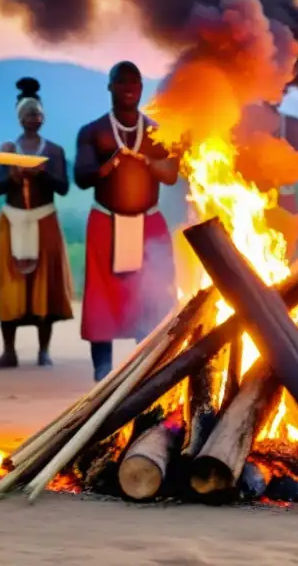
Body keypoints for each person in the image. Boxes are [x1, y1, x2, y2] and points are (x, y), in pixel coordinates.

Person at [74, 61, 179, 382]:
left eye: (135, 82)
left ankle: (144, 374)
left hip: (149, 227)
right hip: (107, 224)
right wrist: (111, 163)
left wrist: (145, 161)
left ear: (141, 88)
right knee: (101, 301)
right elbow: (81, 177)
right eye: (121, 83)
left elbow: (172, 174)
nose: (129, 88)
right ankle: (102, 377)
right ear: (110, 87)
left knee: (152, 298)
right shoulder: (93, 131)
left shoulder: (158, 132)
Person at [0, 77, 75, 368]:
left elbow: (63, 187)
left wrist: (42, 173)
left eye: (36, 114)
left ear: (43, 117)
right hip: (12, 221)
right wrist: (12, 174)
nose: (32, 119)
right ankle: (9, 350)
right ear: (20, 118)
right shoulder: (7, 149)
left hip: (44, 220)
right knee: (9, 285)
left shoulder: (53, 151)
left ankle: (43, 351)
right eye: (27, 115)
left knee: (44, 286)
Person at [234, 91, 298, 259]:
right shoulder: (235, 126)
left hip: (283, 208)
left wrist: (270, 158)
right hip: (241, 208)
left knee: (278, 268)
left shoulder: (293, 126)